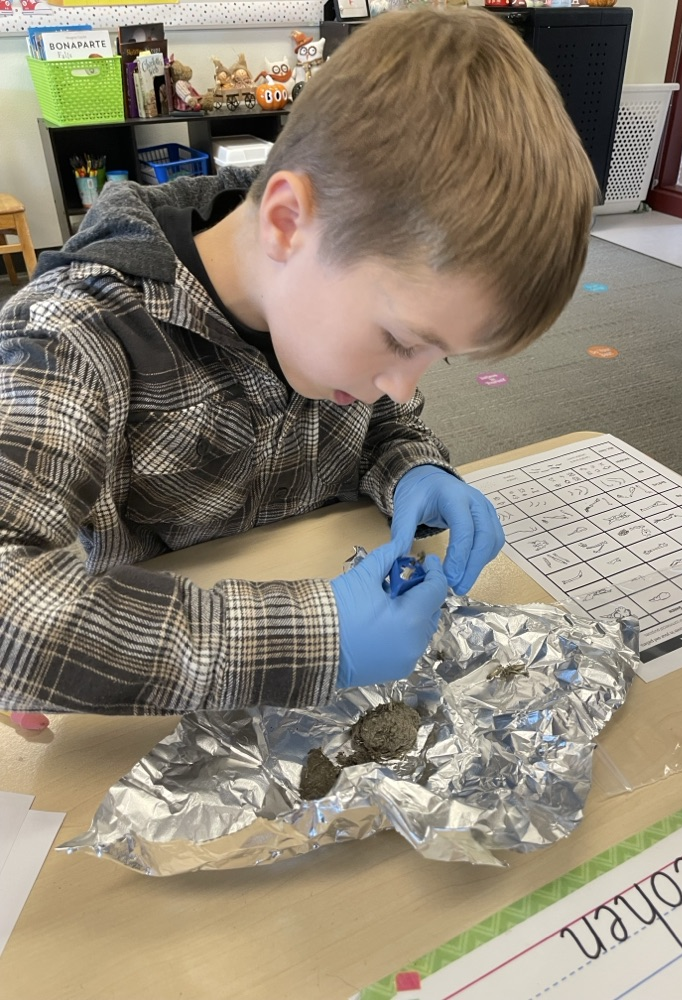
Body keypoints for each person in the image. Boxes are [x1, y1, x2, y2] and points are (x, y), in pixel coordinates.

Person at [0, 8, 597, 715]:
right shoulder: (73, 331)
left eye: (440, 357)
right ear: (288, 223)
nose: (403, 383)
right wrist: (320, 635)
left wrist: (414, 467)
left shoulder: (328, 313)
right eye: (404, 340)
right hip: (182, 698)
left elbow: (386, 423)